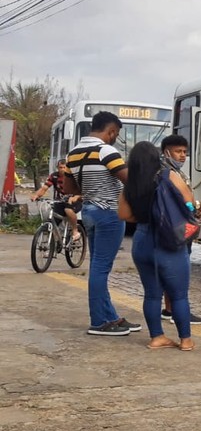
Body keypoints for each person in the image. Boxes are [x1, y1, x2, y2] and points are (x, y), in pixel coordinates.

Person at [61, 111, 139, 337]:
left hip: (90, 213)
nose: (115, 137)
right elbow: (128, 180)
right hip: (109, 213)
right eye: (116, 134)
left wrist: (91, 188)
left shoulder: (73, 153)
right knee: (100, 268)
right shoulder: (106, 150)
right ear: (111, 131)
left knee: (98, 265)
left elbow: (69, 189)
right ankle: (98, 322)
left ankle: (110, 317)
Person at [118, 141, 196, 350]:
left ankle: (157, 337)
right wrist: (188, 209)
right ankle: (186, 340)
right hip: (168, 241)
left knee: (152, 293)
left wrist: (146, 217)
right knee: (178, 294)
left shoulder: (130, 183)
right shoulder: (169, 175)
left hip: (142, 242)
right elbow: (189, 202)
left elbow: (123, 215)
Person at [160, 134, 201, 324]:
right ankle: (178, 311)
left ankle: (169, 308)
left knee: (171, 270)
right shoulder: (167, 173)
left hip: (179, 226)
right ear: (166, 152)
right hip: (176, 229)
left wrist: (195, 209)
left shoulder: (175, 171)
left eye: (185, 152)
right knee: (178, 271)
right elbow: (179, 201)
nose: (182, 156)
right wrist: (197, 205)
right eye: (178, 151)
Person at [30, 159, 82, 240]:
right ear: (57, 167)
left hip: (74, 201)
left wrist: (77, 197)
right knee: (51, 219)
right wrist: (36, 195)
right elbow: (44, 188)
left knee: (68, 210)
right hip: (60, 202)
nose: (62, 169)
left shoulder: (73, 176)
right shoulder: (54, 176)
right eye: (60, 167)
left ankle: (75, 230)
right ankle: (56, 242)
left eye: (64, 167)